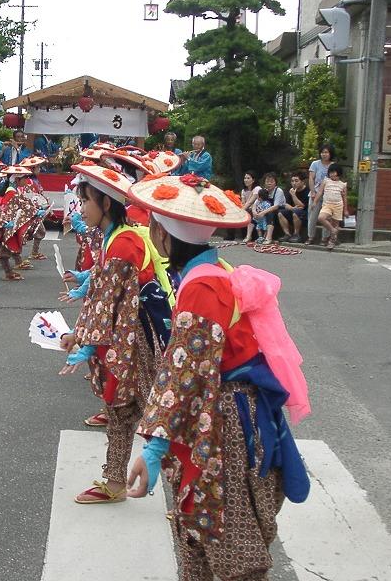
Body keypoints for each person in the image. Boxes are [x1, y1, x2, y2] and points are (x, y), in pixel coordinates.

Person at [124, 174, 310, 581]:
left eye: (154, 225)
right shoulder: (212, 269)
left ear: (164, 232)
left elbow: (185, 373)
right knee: (206, 534)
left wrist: (153, 451)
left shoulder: (202, 287)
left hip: (223, 423)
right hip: (232, 413)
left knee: (225, 542)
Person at [58, 162, 172, 505]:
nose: (81, 208)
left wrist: (83, 340)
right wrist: (83, 331)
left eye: (86, 201)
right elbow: (102, 295)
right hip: (126, 334)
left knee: (155, 413)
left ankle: (191, 493)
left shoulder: (123, 244)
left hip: (131, 338)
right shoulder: (116, 238)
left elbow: (107, 304)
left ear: (106, 203)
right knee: (128, 411)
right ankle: (115, 480)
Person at [306, 143, 335, 245]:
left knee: (326, 217)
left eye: (326, 152)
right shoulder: (315, 164)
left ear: (330, 153)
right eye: (322, 152)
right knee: (312, 216)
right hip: (315, 194)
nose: (324, 154)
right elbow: (311, 178)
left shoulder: (333, 165)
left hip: (328, 195)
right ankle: (310, 237)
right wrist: (313, 191)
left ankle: (324, 238)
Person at [316, 163, 348, 250]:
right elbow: (319, 192)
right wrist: (315, 202)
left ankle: (332, 241)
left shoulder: (343, 184)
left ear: (338, 173)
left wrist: (345, 210)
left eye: (334, 172)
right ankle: (332, 230)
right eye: (331, 172)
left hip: (338, 205)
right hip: (327, 204)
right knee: (321, 217)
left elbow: (344, 198)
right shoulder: (326, 181)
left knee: (335, 223)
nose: (332, 174)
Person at [278, 171, 309, 243]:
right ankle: (287, 234)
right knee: (280, 213)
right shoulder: (290, 189)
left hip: (305, 214)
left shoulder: (307, 191)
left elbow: (302, 206)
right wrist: (292, 208)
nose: (294, 183)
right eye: (292, 181)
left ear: (302, 182)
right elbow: (285, 203)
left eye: (296, 181)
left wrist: (293, 195)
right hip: (294, 211)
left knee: (296, 213)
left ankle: (296, 234)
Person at [240, 171, 261, 243]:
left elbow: (250, 202)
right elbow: (243, 202)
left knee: (249, 212)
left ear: (253, 180)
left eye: (248, 178)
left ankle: (249, 236)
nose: (246, 180)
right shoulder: (243, 190)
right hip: (247, 208)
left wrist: (242, 210)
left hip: (258, 209)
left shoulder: (257, 188)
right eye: (245, 178)